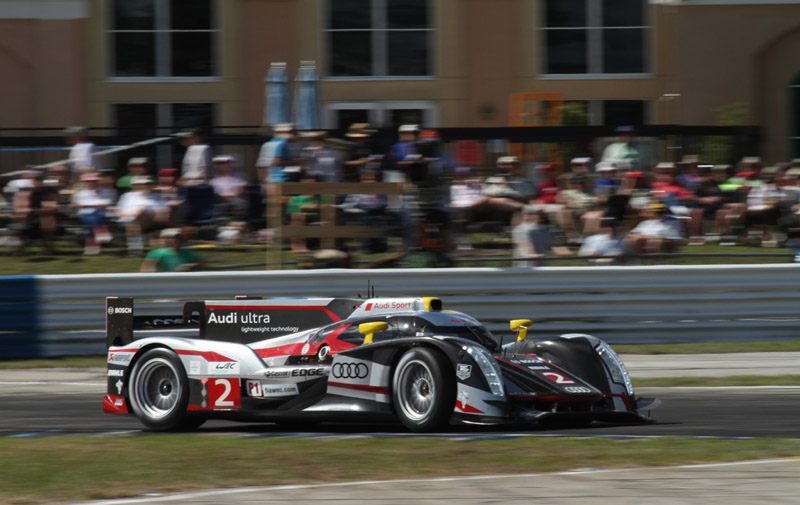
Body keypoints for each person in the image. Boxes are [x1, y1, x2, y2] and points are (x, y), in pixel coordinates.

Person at [210, 155, 247, 220]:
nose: (222, 165)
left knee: (240, 202)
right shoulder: (213, 180)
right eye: (219, 163)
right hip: (220, 202)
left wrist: (226, 198)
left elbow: (239, 191)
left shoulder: (239, 175)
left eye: (225, 163)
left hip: (236, 201)